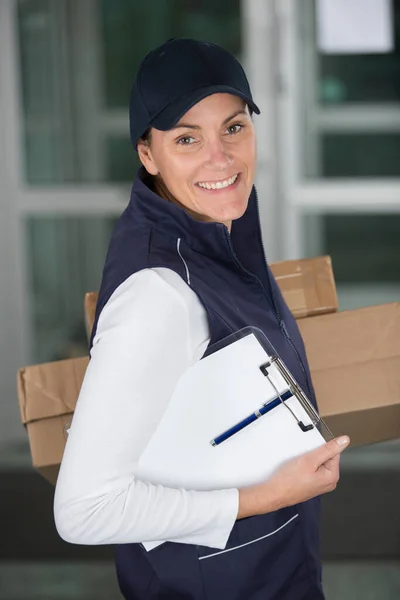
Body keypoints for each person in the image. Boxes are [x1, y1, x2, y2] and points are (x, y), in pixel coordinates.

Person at [54, 38, 350, 600]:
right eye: (187, 139)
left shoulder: (220, 237)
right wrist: (267, 496)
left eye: (233, 128)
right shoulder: (158, 295)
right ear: (148, 156)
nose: (220, 158)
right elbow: (83, 511)